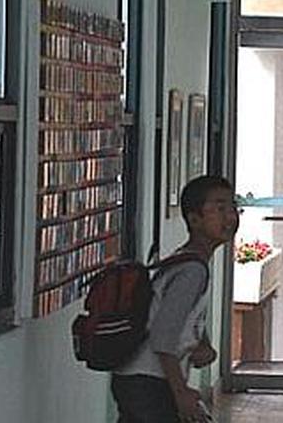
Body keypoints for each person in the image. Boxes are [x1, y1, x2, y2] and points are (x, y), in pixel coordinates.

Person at [111, 176, 239, 423]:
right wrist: (180, 392)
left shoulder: (187, 261)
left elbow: (175, 318)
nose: (230, 217)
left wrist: (201, 345)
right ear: (194, 219)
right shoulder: (192, 270)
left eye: (233, 207)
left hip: (138, 380)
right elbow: (162, 336)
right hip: (148, 384)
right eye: (220, 208)